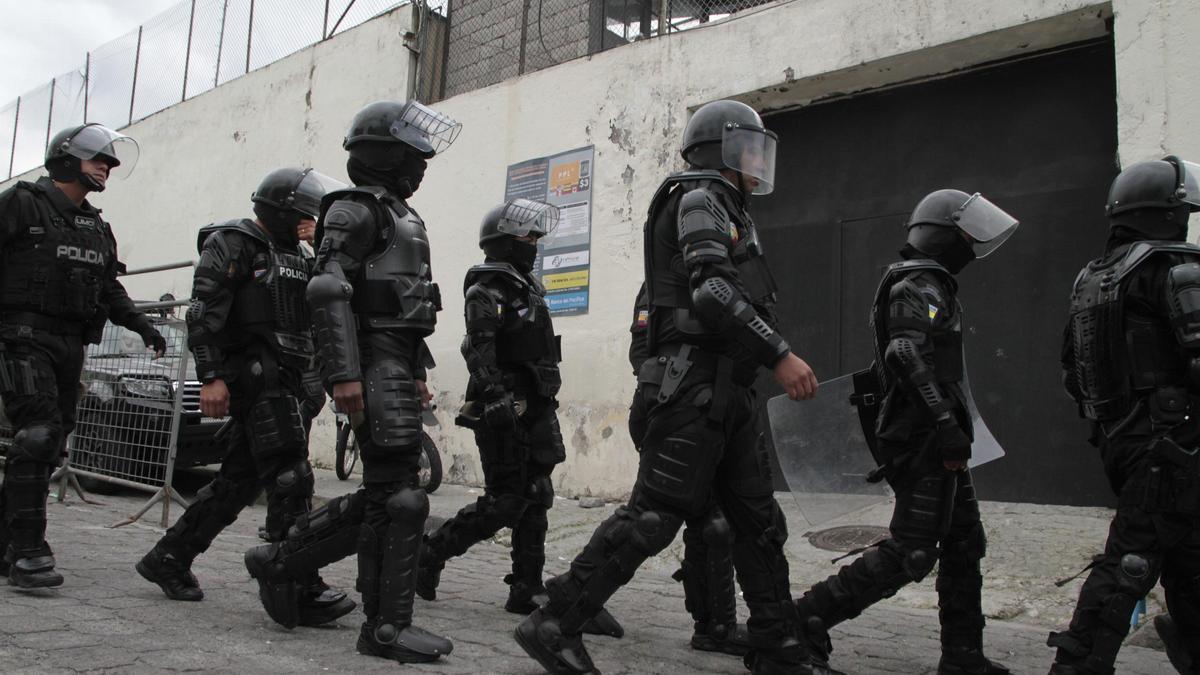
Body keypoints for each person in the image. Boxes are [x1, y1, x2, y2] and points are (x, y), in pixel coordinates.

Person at [514, 99, 824, 675]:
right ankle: (554, 621)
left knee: (758, 525)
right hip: (692, 389)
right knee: (653, 519)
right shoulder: (700, 198)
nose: (759, 161)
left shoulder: (730, 208)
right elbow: (712, 293)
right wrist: (780, 355)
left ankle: (778, 648)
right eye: (749, 148)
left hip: (728, 391)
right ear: (721, 149)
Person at [244, 100, 461, 665]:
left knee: (387, 497)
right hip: (368, 359)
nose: (423, 165)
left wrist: (416, 372)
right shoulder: (355, 210)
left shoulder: (402, 215)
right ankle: (385, 627)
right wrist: (342, 372)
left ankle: (282, 561)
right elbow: (326, 288)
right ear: (386, 155)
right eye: (414, 154)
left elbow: (408, 306)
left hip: (393, 358)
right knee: (401, 497)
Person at [791, 189, 1017, 675]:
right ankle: (804, 619)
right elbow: (903, 353)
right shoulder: (919, 285)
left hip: (936, 434)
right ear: (942, 235)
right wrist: (942, 422)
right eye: (963, 233)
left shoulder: (931, 284)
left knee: (964, 542)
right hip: (920, 436)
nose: (970, 244)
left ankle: (963, 656)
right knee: (912, 551)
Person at [135, 167, 352, 628]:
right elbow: (202, 314)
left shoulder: (301, 252)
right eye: (303, 213)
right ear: (279, 208)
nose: (307, 219)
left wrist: (322, 245)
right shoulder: (232, 242)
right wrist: (211, 376)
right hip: (255, 375)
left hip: (290, 377)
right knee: (291, 476)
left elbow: (329, 296)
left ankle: (169, 556)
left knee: (237, 484)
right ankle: (296, 582)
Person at [1049, 155, 1200, 674]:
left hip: (1128, 441)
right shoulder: (1176, 269)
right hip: (1176, 447)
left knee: (1189, 559)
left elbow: (1073, 370)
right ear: (1167, 211)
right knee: (1129, 565)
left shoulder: (1095, 277)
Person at [0, 123, 164, 588]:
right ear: (69, 159)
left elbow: (108, 286)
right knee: (37, 433)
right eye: (99, 159)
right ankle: (30, 552)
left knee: (49, 445)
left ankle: (5, 543)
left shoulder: (96, 226)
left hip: (70, 344)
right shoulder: (21, 203)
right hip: (20, 337)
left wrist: (141, 324)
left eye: (111, 163)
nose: (107, 167)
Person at [415, 199, 574, 614]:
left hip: (537, 402)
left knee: (537, 493)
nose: (535, 243)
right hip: (504, 405)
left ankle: (526, 586)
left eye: (537, 235)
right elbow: (479, 349)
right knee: (506, 501)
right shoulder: (484, 290)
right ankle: (430, 553)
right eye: (527, 236)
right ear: (502, 241)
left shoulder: (528, 288)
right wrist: (496, 397)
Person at [627, 284, 750, 656]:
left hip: (714, 412)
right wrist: (680, 396)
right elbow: (640, 351)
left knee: (711, 524)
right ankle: (570, 602)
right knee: (646, 523)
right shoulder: (662, 287)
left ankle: (715, 626)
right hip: (676, 411)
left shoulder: (727, 279)